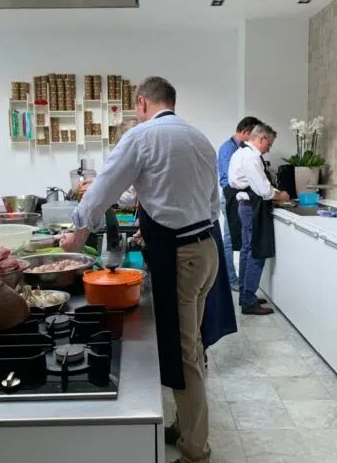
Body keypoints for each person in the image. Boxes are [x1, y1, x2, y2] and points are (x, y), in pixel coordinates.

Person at [61, 76, 219, 463]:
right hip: (206, 251)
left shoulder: (142, 136)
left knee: (184, 354)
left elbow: (104, 188)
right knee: (192, 346)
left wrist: (78, 232)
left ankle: (196, 451)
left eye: (136, 107)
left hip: (181, 257)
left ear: (143, 102)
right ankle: (186, 425)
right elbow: (208, 202)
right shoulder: (199, 138)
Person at [228, 123, 290, 315]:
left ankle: (246, 295)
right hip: (252, 208)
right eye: (269, 144)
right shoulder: (251, 157)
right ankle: (248, 301)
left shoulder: (241, 153)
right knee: (257, 252)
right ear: (262, 138)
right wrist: (281, 195)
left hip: (245, 207)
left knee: (247, 251)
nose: (268, 149)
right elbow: (263, 190)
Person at [218, 116, 262, 291]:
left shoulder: (242, 149)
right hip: (230, 198)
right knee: (229, 240)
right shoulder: (227, 148)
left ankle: (238, 280)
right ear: (245, 132)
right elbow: (229, 178)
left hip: (238, 198)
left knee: (240, 240)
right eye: (253, 134)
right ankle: (231, 279)